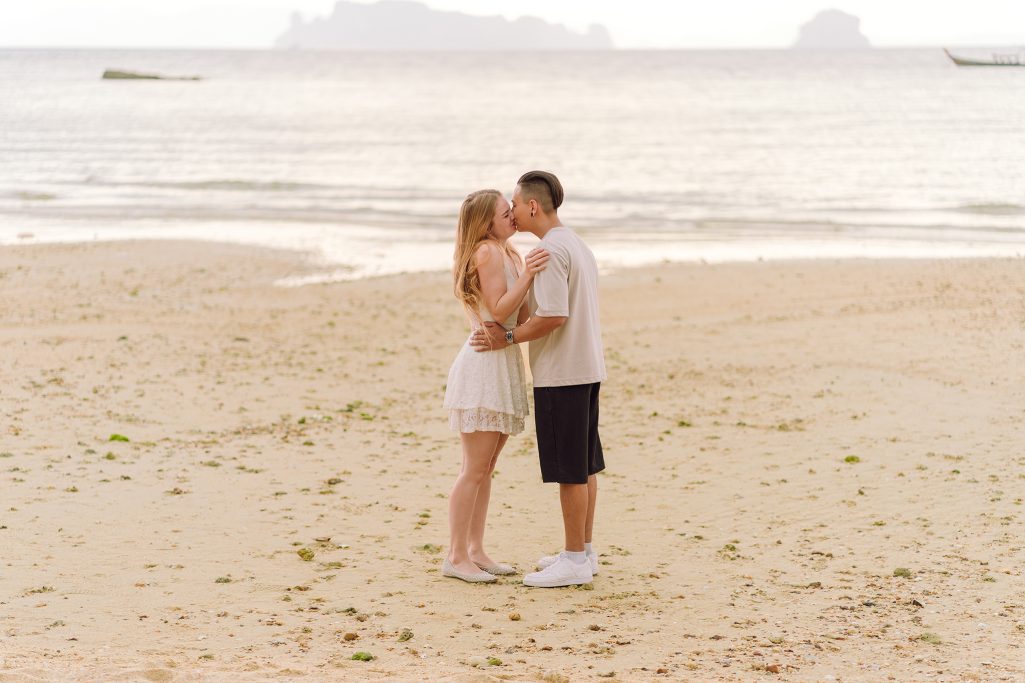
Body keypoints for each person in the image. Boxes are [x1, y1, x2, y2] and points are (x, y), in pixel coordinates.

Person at [471, 171, 607, 588]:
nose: (510, 211)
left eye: (514, 203)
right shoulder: (575, 243)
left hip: (562, 373)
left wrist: (507, 337)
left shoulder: (549, 251)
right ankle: (582, 551)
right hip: (587, 367)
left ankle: (573, 560)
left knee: (570, 471)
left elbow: (552, 316)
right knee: (584, 466)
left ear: (533, 206)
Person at [442, 189, 549, 583]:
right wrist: (527, 276)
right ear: (487, 222)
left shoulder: (509, 253)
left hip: (501, 359)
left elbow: (517, 314)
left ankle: (476, 550)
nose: (513, 217)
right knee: (473, 469)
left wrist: (528, 274)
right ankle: (456, 555)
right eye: (506, 213)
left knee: (486, 468)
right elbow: (500, 308)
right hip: (482, 364)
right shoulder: (486, 253)